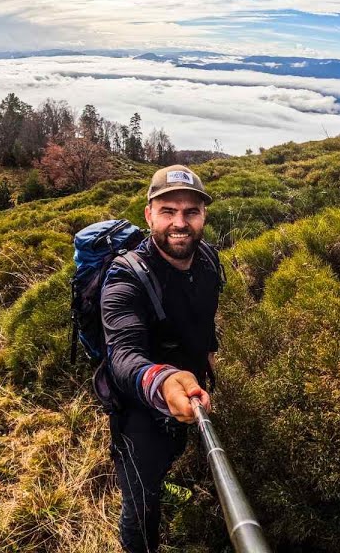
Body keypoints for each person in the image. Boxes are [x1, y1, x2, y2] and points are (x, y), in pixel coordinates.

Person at [100, 164, 222, 552]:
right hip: (138, 407)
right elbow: (122, 354)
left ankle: (163, 480)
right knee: (139, 504)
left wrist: (207, 358)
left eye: (191, 212)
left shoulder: (208, 261)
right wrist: (163, 380)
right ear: (149, 214)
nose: (180, 223)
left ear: (203, 216)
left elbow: (203, 318)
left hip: (188, 392)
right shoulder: (124, 277)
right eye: (168, 211)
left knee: (174, 451)